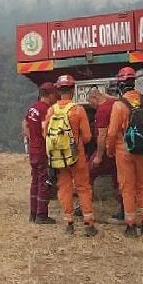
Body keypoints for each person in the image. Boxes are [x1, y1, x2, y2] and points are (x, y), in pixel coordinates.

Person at [44, 74, 97, 236]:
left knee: (64, 188)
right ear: (73, 90)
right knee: (82, 188)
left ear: (59, 91)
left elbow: (45, 133)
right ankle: (88, 225)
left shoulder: (51, 110)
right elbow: (87, 137)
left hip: (58, 157)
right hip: (76, 155)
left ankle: (69, 224)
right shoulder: (78, 110)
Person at [107, 67, 143, 237]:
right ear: (134, 82)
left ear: (121, 84)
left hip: (124, 151)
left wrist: (110, 150)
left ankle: (130, 225)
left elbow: (112, 133)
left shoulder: (119, 106)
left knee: (127, 188)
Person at [23, 82, 57, 224]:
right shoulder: (47, 110)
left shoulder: (32, 108)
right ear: (50, 95)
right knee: (45, 181)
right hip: (43, 150)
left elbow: (24, 124)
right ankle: (41, 215)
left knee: (35, 181)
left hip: (33, 149)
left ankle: (33, 213)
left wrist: (30, 139)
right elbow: (46, 131)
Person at [87, 88, 124, 220]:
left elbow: (102, 136)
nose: (91, 106)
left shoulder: (102, 111)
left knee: (88, 173)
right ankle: (124, 209)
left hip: (107, 150)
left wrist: (98, 156)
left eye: (90, 102)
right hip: (118, 149)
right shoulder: (114, 104)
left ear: (94, 97)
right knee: (119, 179)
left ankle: (85, 206)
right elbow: (119, 99)